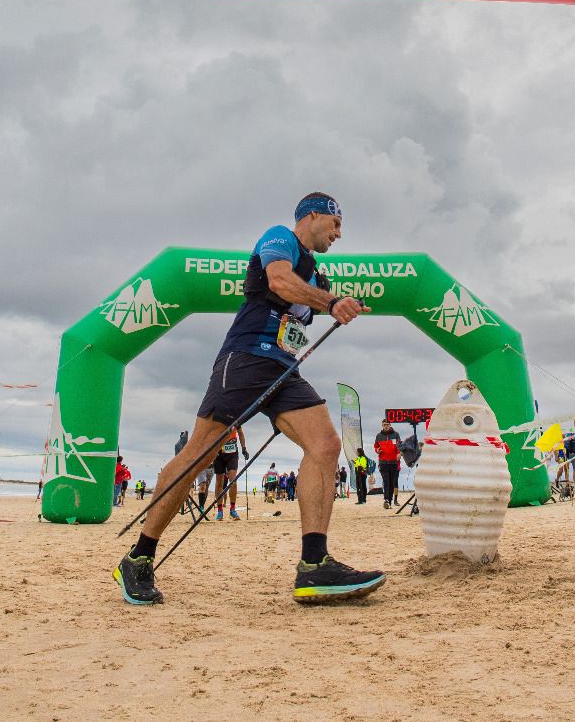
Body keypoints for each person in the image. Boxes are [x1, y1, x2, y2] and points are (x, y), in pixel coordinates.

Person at [115, 193, 383, 606]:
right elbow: (278, 281)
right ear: (313, 215)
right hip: (245, 358)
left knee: (326, 445)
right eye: (336, 224)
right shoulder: (280, 238)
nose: (339, 234)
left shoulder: (317, 274)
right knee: (199, 455)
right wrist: (331, 304)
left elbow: (300, 311)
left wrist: (333, 304)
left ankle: (314, 564)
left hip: (284, 369)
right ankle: (138, 558)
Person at [212, 423, 248, 522]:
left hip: (232, 454)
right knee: (219, 482)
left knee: (233, 481)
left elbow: (240, 433)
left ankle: (232, 509)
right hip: (219, 454)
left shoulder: (235, 418)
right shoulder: (218, 418)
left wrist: (244, 448)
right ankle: (220, 511)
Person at [373, 419, 401, 508]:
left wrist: (399, 453)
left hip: (393, 462)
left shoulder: (396, 434)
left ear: (390, 425)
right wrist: (377, 450)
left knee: (392, 482)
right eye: (384, 424)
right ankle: (386, 500)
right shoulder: (379, 436)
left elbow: (399, 446)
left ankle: (390, 500)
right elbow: (376, 447)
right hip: (383, 462)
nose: (386, 426)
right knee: (386, 481)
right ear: (382, 425)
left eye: (387, 424)